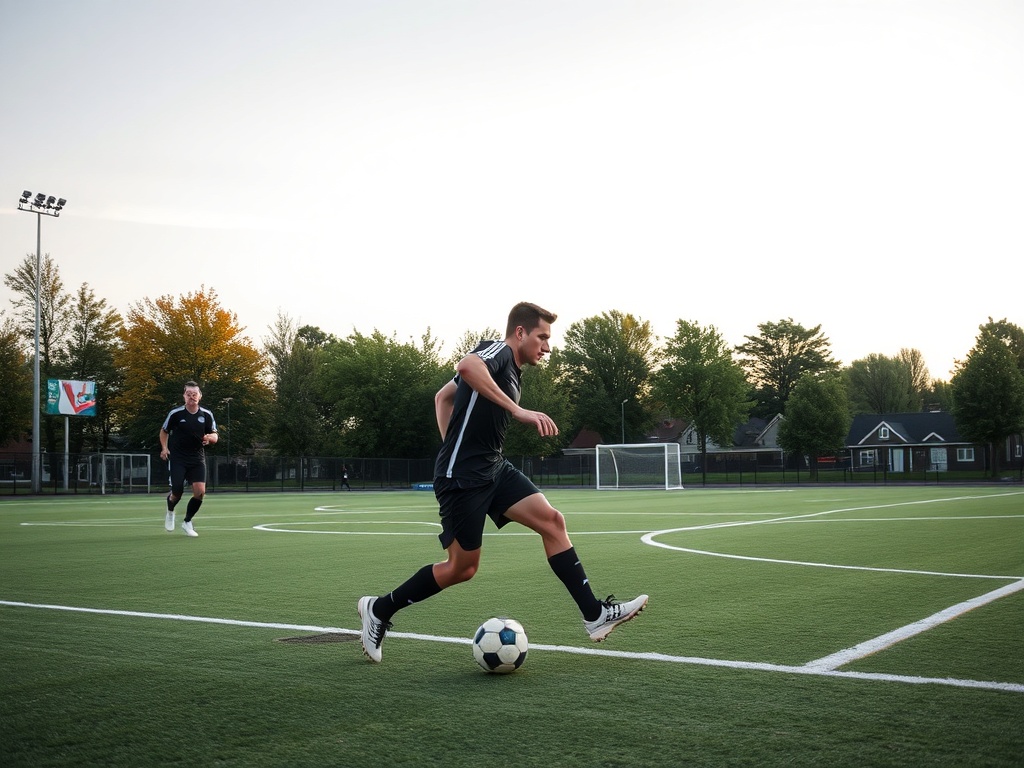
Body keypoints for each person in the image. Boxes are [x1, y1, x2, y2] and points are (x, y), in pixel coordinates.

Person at [358, 302, 648, 663]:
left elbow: (443, 396)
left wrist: (454, 441)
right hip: (462, 478)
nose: (547, 346)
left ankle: (594, 615)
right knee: (462, 568)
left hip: (493, 468)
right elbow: (466, 367)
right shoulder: (497, 351)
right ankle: (379, 609)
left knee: (553, 522)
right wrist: (515, 412)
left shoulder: (513, 371)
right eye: (542, 336)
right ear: (521, 332)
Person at [160, 380, 218, 538]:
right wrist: (165, 448)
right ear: (184, 396)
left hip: (197, 458)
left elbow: (215, 434)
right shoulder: (176, 414)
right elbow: (164, 431)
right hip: (178, 458)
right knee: (177, 492)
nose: (191, 397)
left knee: (200, 493)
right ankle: (170, 511)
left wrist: (210, 438)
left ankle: (187, 522)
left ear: (200, 396)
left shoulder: (206, 415)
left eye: (194, 394)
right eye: (188, 394)